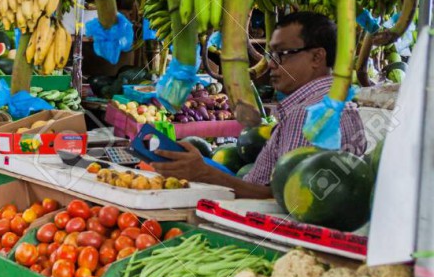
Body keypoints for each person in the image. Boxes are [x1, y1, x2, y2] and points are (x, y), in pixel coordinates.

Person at [153, 12, 367, 198]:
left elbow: (283, 200)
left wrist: (204, 173)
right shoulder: (344, 107)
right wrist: (205, 166)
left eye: (281, 55)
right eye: (270, 54)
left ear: (317, 57)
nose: (272, 64)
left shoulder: (307, 115)